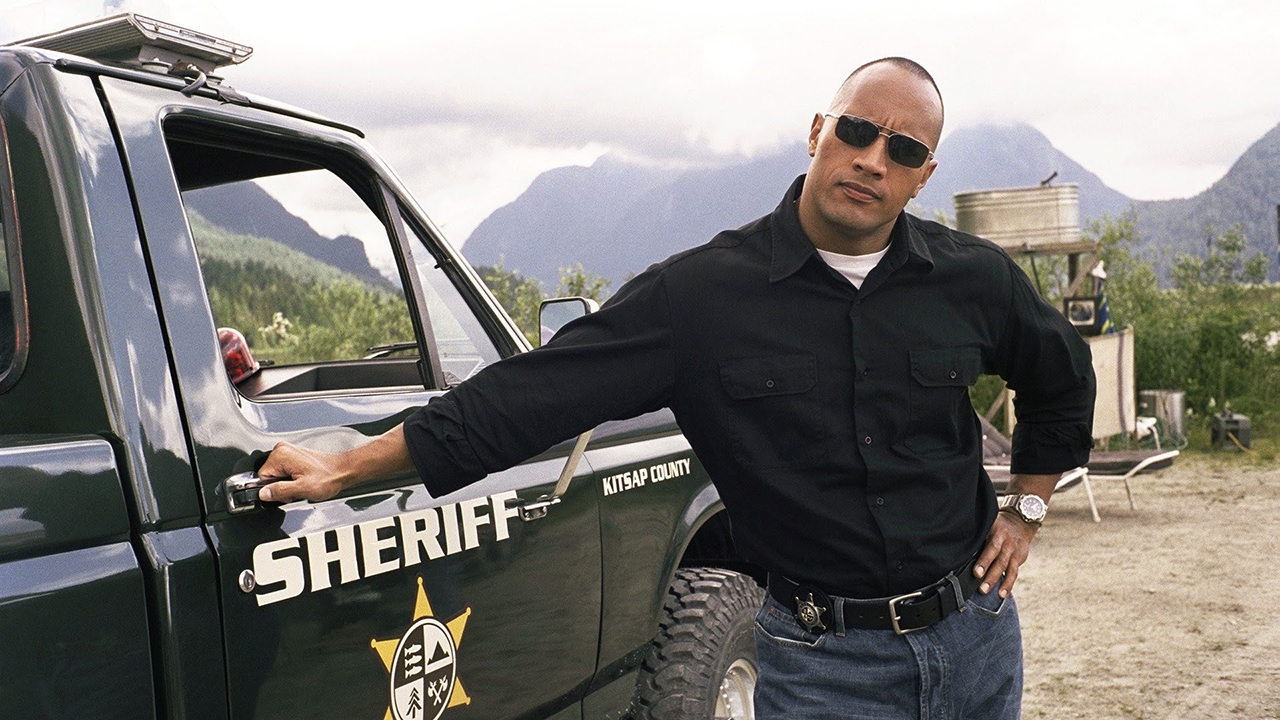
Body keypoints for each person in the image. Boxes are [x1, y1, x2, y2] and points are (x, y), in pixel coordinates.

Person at [258, 57, 1095, 718]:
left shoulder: (973, 281)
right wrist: (352, 466)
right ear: (817, 132)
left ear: (923, 174)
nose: (873, 159)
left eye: (902, 150)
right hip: (821, 667)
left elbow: (1063, 377)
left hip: (977, 641)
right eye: (857, 131)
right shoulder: (699, 298)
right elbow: (532, 394)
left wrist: (1025, 510)